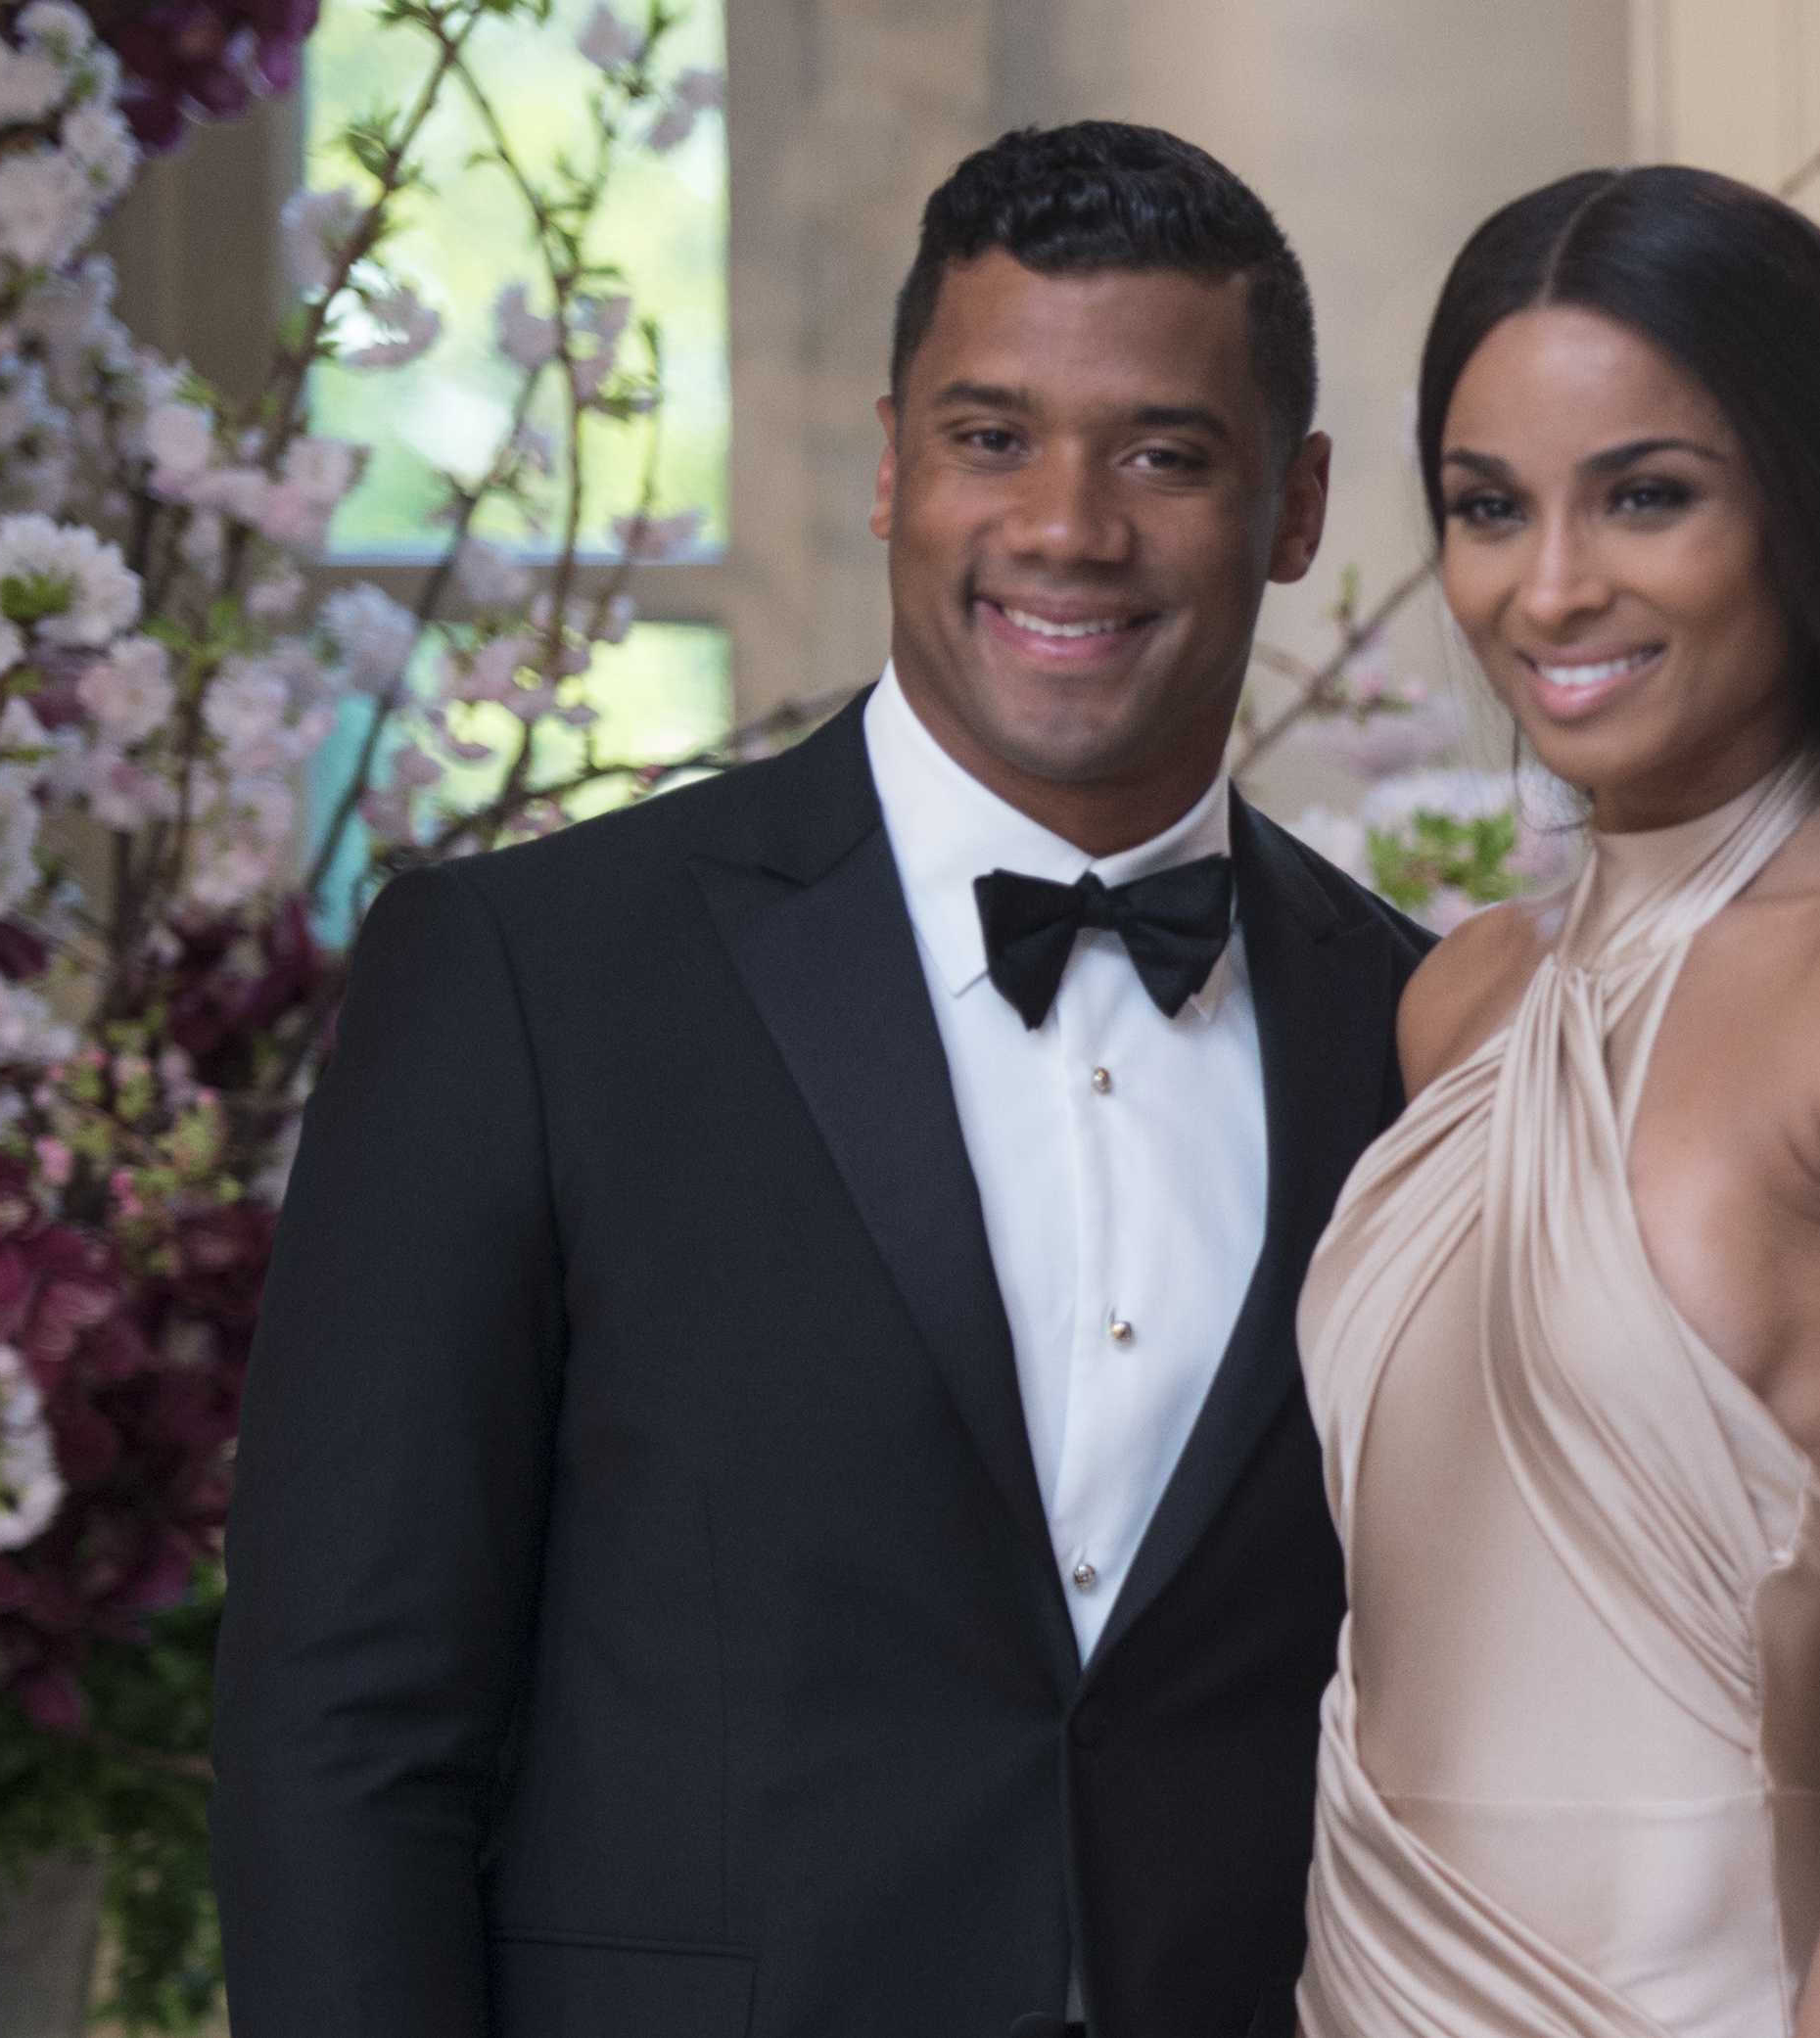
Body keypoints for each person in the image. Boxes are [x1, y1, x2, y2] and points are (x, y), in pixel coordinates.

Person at [210, 122, 1438, 2038]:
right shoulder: (530, 980)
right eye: (988, 435)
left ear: (1295, 511)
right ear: (888, 466)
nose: (1065, 525)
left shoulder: (1419, 1036)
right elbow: (342, 1726)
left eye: (1163, 454)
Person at [1293, 165, 1820, 2038]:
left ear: (1812, 508)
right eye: (1488, 507)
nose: (1552, 584)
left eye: (1646, 495)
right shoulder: (1465, 998)